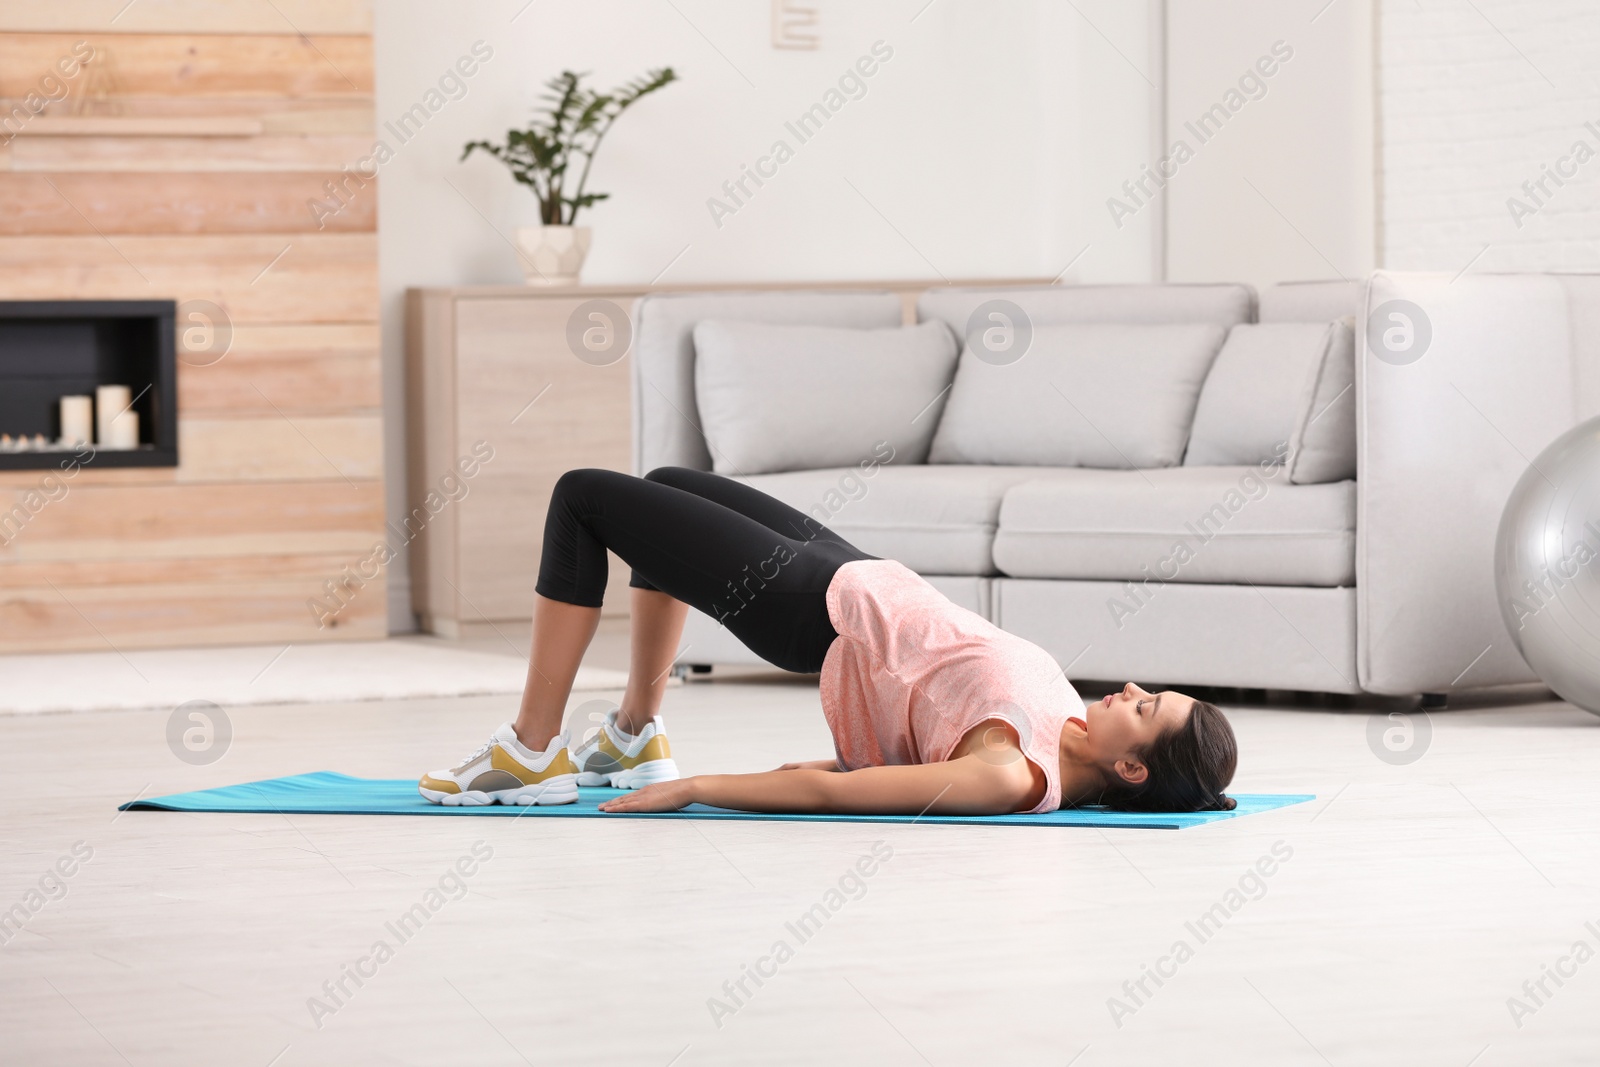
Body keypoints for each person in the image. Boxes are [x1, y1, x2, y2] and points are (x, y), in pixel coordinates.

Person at [419, 467, 1238, 816]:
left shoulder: (1009, 775)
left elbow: (840, 791)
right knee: (664, 485)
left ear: (1133, 766)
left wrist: (699, 786)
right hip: (856, 575)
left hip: (812, 611)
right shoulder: (1068, 729)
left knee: (582, 498)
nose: (1132, 688)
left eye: (1148, 705)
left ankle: (531, 750)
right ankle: (633, 733)